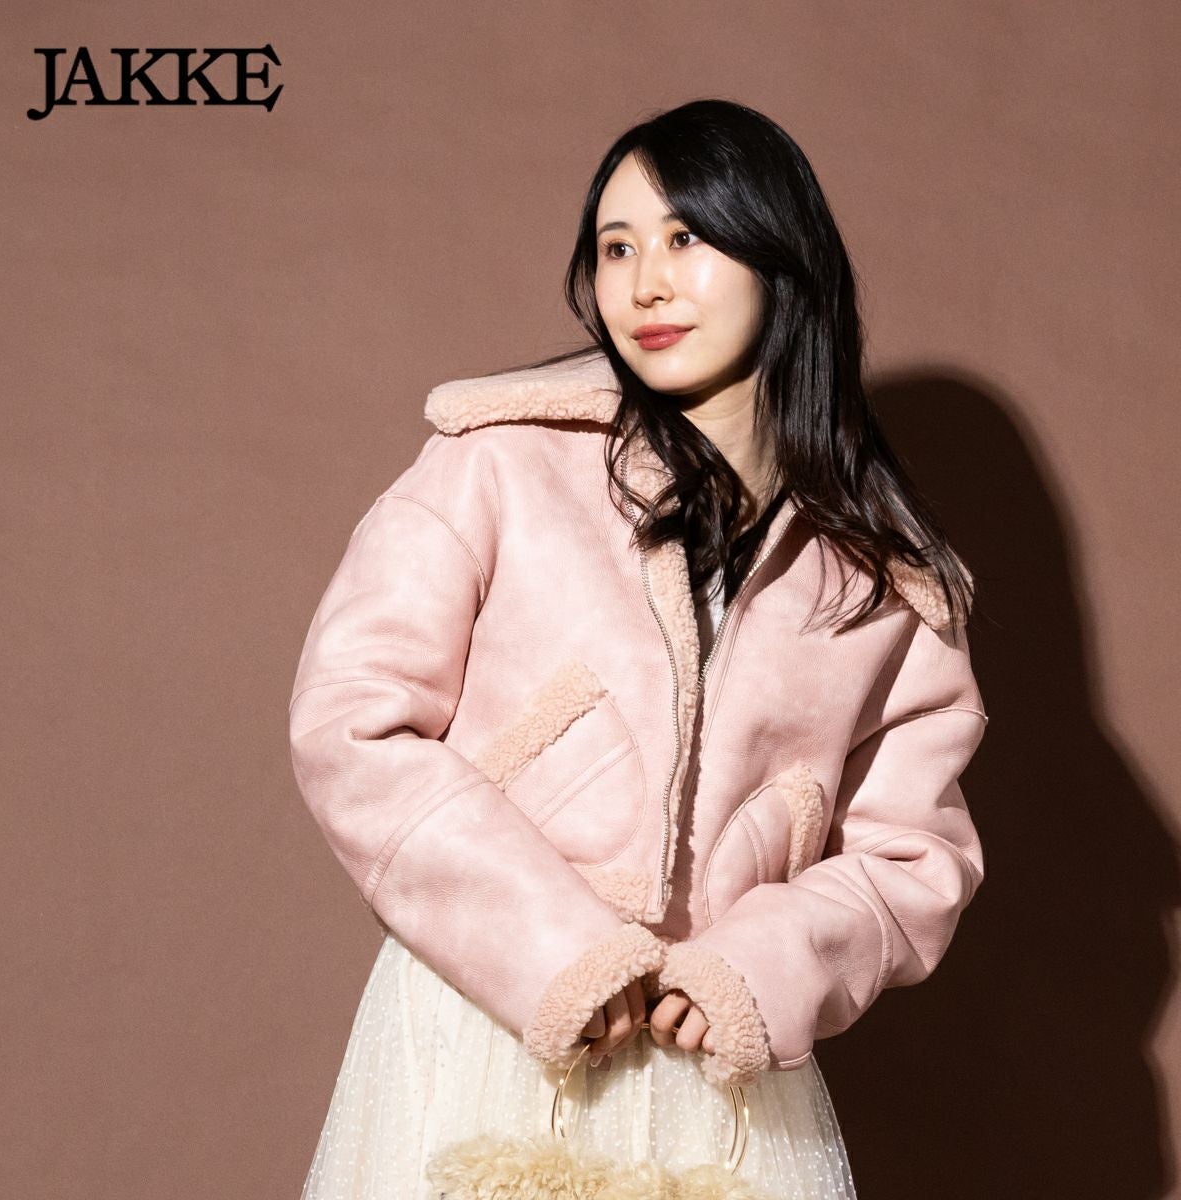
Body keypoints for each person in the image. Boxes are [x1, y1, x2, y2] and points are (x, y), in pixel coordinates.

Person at [288, 98, 987, 1199]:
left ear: (781, 258)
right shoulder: (496, 464)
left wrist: (761, 968)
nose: (646, 284)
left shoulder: (881, 577)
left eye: (685, 237)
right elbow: (350, 727)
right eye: (616, 248)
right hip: (494, 1029)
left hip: (719, 1074)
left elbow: (916, 859)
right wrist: (556, 949)